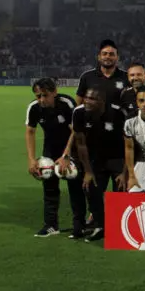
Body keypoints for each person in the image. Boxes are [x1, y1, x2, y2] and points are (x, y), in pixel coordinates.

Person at [25, 78, 86, 238]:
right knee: (49, 187)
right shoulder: (34, 108)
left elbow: (75, 130)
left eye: (45, 95)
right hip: (50, 149)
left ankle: (79, 225)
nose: (41, 100)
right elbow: (30, 132)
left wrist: (66, 156)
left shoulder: (66, 103)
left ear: (54, 93)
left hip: (72, 148)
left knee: (75, 186)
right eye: (38, 96)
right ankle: (51, 225)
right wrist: (32, 159)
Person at [72, 86, 127, 242]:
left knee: (121, 193)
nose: (87, 101)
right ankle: (100, 226)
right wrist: (88, 171)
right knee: (90, 188)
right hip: (96, 159)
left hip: (118, 159)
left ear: (102, 101)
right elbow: (81, 144)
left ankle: (119, 228)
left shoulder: (117, 113)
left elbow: (129, 143)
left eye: (92, 98)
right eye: (86, 97)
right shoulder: (79, 113)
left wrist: (125, 172)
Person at [76, 39, 129, 107]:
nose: (107, 57)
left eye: (111, 54)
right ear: (99, 57)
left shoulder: (126, 77)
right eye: (104, 54)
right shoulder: (87, 77)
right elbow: (78, 103)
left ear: (117, 58)